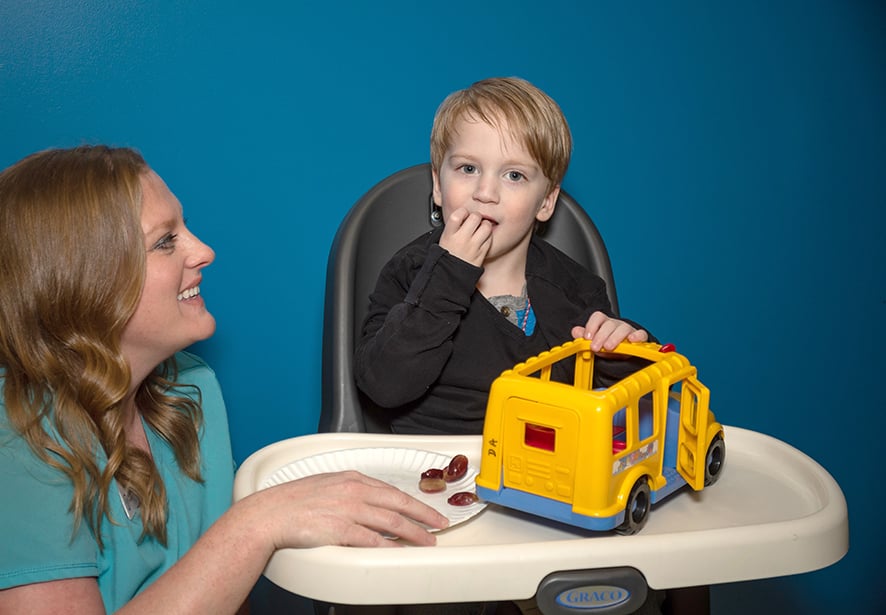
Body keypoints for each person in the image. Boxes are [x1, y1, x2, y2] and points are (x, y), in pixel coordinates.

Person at [0, 145, 448, 615]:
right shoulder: (17, 439)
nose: (205, 251)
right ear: (82, 280)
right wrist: (255, 525)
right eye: (165, 241)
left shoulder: (189, 390)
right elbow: (237, 547)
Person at [355, 77, 653, 436]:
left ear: (546, 202)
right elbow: (382, 385)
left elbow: (623, 399)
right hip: (434, 463)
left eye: (513, 175)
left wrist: (622, 351)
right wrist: (449, 274)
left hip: (544, 465)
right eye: (468, 169)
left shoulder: (575, 287)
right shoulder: (410, 271)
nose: (485, 192)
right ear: (438, 184)